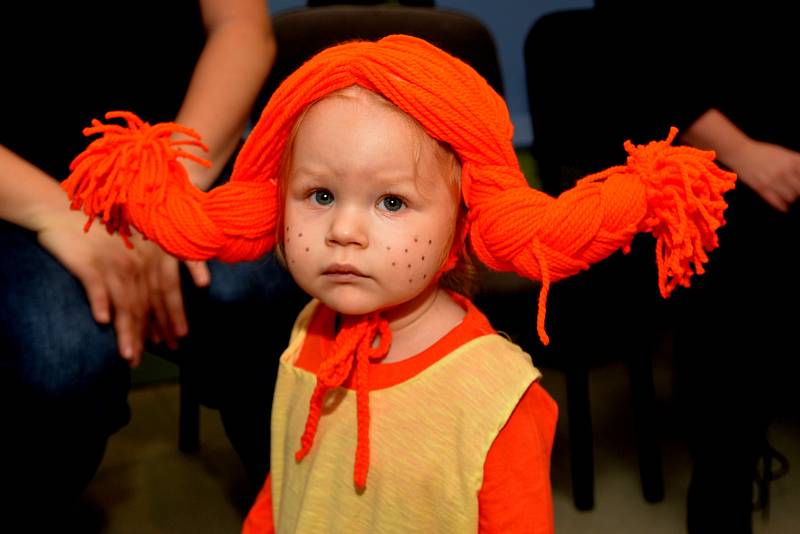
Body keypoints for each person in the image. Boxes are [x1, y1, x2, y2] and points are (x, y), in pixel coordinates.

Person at [62, 36, 734, 532]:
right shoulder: (305, 333)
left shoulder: (494, 399)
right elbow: (292, 480)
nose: (344, 232)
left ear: (462, 216)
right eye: (319, 194)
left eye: (391, 203)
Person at [0, 0, 303, 523]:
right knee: (61, 355)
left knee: (273, 292)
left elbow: (241, 27)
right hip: (20, 190)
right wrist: (54, 213)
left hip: (184, 154)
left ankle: (302, 505)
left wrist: (165, 195)